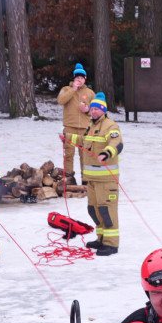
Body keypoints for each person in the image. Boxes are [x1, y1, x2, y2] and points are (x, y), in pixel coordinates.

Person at [67, 92, 122, 256]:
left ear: (103, 110)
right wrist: (67, 137)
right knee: (94, 210)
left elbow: (116, 143)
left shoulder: (110, 126)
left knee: (107, 211)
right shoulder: (91, 127)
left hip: (106, 180)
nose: (94, 112)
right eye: (92, 109)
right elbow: (83, 141)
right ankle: (101, 239)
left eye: (97, 109)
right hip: (91, 179)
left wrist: (107, 153)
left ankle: (111, 244)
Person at [57, 63, 95, 183]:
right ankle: (69, 179)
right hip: (69, 128)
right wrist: (72, 90)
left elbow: (96, 111)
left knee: (85, 156)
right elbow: (60, 100)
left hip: (85, 129)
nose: (79, 80)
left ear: (85, 79)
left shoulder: (90, 93)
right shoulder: (66, 89)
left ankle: (85, 180)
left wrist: (87, 110)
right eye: (77, 77)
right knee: (69, 155)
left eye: (82, 78)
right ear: (74, 78)